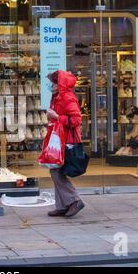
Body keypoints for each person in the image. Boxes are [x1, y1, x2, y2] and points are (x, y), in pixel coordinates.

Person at [46, 70, 85, 217]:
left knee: (55, 170)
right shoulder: (57, 97)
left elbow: (76, 120)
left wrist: (56, 117)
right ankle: (63, 205)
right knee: (57, 170)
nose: (51, 85)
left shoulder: (67, 98)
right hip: (59, 138)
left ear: (60, 84)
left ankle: (74, 200)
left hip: (67, 139)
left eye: (53, 82)